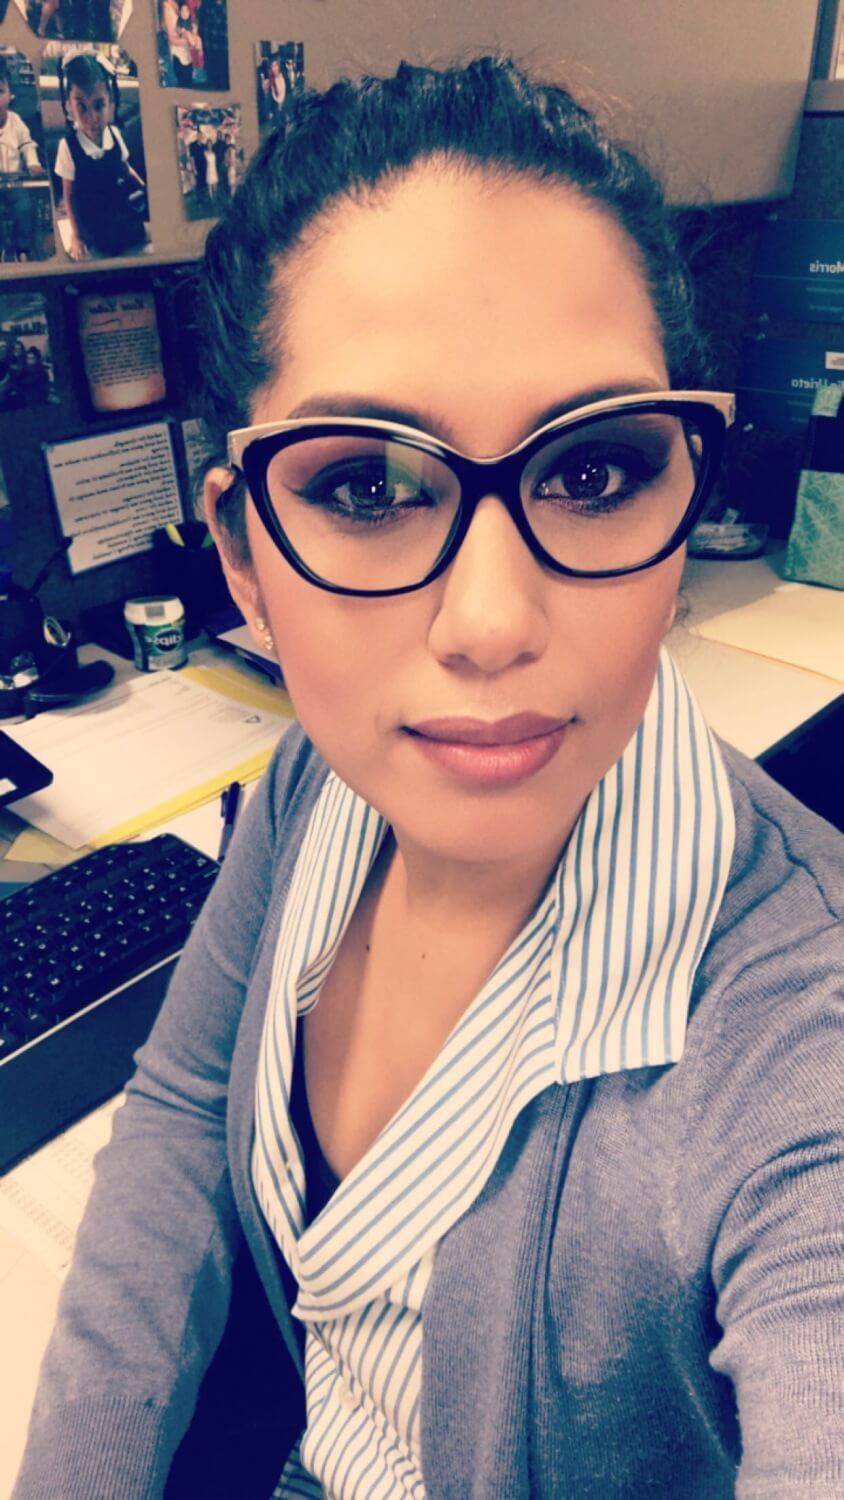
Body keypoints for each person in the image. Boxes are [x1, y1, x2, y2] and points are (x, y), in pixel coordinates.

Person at [13, 55, 843, 1500]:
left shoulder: (795, 1040)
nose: (494, 623)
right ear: (244, 559)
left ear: (686, 487)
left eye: (595, 472)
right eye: (363, 487)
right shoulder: (310, 796)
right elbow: (172, 1132)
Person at [54, 53, 147, 260]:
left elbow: (124, 168)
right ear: (69, 106)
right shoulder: (68, 146)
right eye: (82, 107)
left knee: (137, 233)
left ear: (110, 103)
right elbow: (68, 196)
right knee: (106, 244)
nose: (92, 117)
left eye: (99, 106)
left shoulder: (113, 135)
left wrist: (143, 187)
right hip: (89, 213)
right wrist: (75, 236)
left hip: (115, 203)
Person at [0, 56, 45, 260]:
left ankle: (23, 248)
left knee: (25, 208)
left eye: (0, 92)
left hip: (17, 181)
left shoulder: (16, 122)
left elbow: (27, 145)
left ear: (10, 96)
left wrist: (33, 164)